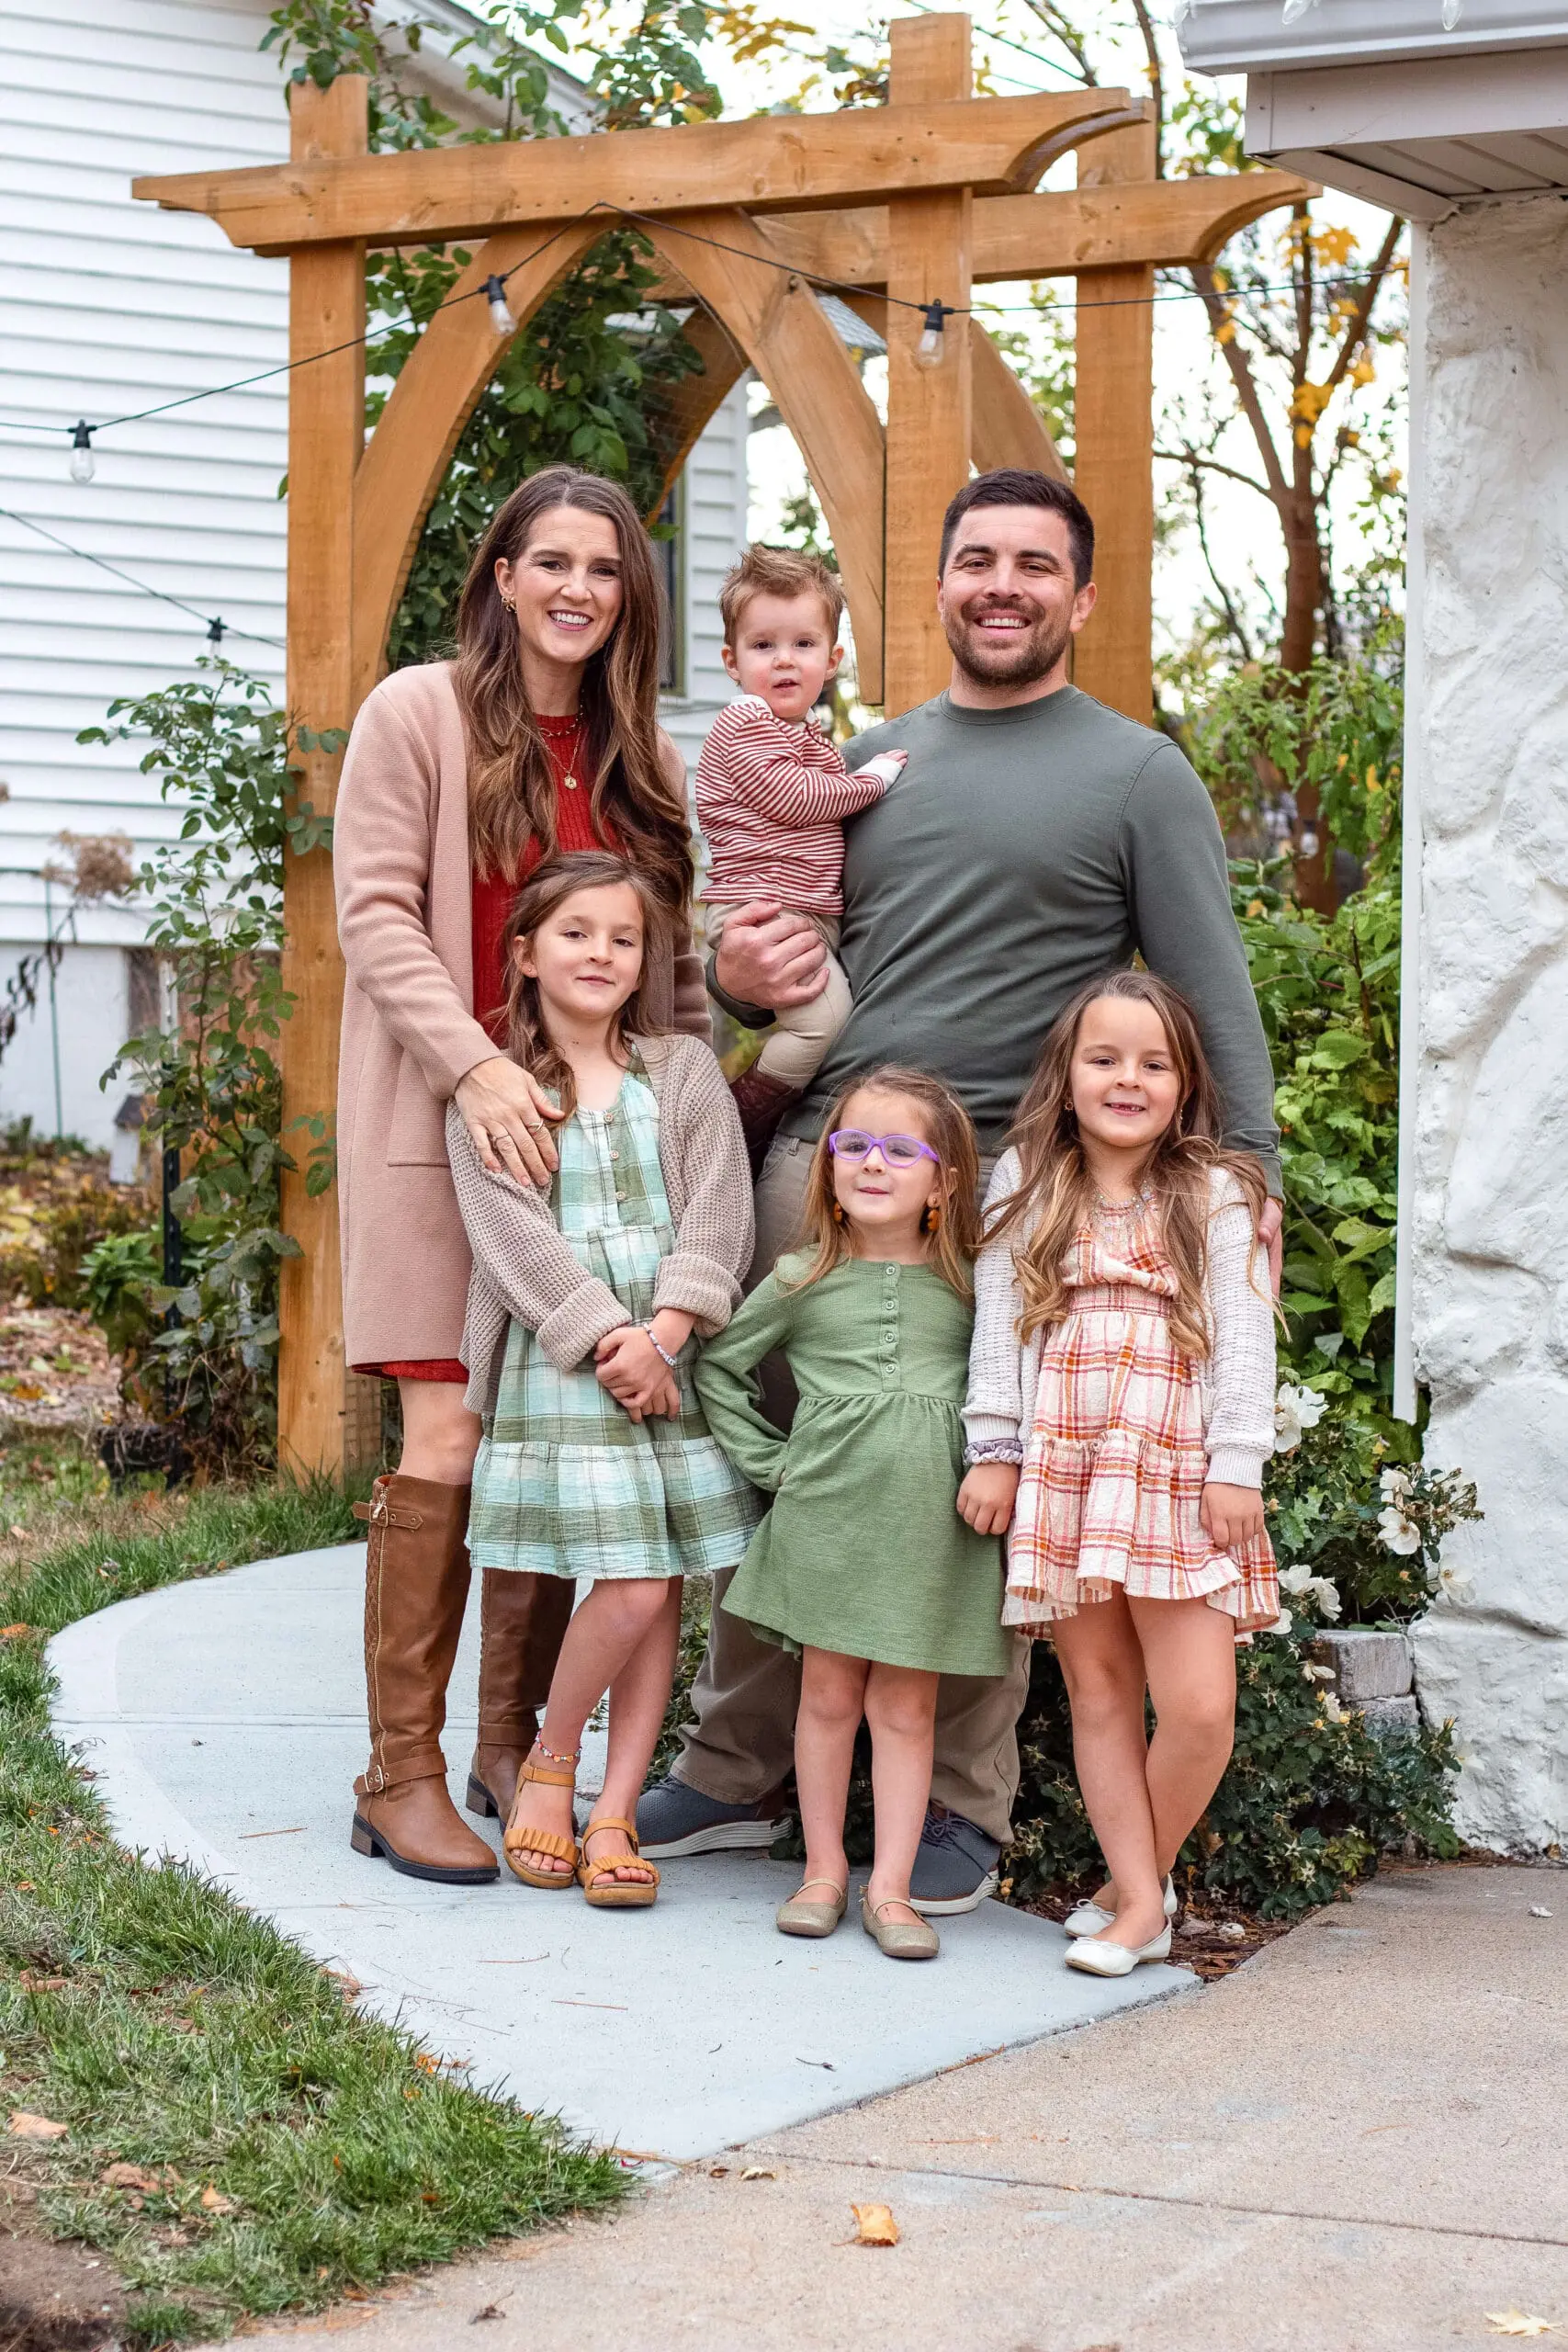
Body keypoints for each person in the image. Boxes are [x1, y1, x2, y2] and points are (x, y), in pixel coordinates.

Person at [637, 466, 1283, 1916]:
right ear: (936, 585)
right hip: (823, 1152)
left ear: (1082, 596)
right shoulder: (859, 759)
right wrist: (738, 977)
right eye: (975, 559)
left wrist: (1254, 1190)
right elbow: (761, 946)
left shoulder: (1134, 773)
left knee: (971, 1484)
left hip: (1002, 1182)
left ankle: (957, 1814)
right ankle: (737, 1758)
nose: (1001, 585)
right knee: (786, 1459)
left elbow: (1204, 997)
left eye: (1033, 565)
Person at [335, 465, 710, 1887]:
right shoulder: (417, 712)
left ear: (630, 596)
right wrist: (475, 1069)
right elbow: (372, 910)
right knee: (445, 1441)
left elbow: (662, 975)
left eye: (602, 569)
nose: (574, 589)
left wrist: (677, 1118)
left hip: (591, 1149)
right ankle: (400, 1774)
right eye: (547, 560)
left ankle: (509, 1747)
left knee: (561, 1440)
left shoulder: (639, 758)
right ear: (501, 574)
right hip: (441, 1126)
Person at [434, 854, 756, 1907]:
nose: (602, 953)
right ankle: (548, 1763)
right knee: (628, 1580)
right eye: (576, 933)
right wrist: (612, 1339)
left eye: (623, 939)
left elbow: (721, 1205)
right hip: (566, 1363)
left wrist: (663, 1334)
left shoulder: (684, 1070)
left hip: (673, 1353)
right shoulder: (495, 1089)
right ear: (525, 953)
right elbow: (508, 1239)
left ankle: (614, 1807)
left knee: (656, 1581)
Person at [961, 971, 1278, 1975]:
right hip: (1066, 1455)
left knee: (1196, 1707)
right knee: (1099, 1691)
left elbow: (1243, 1342)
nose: (1127, 1080)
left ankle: (1132, 1885)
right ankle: (1143, 1903)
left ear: (1184, 1085)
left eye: (1154, 1063)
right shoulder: (1024, 1177)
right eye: (1105, 1059)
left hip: (1180, 1462)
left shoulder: (1216, 1189)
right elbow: (997, 1331)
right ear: (1067, 1074)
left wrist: (1238, 1463)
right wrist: (996, 1452)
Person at [694, 1068, 1013, 1962]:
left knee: (907, 1709)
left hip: (929, 1528)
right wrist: (770, 1462)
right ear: (828, 1165)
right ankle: (824, 1870)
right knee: (828, 1695)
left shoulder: (971, 1287)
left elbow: (1012, 1382)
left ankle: (891, 1886)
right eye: (854, 1144)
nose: (874, 1163)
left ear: (943, 1181)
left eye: (901, 1148)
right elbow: (719, 1370)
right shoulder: (801, 1276)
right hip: (828, 1518)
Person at [695, 546, 906, 1169]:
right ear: (733, 662)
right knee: (822, 1023)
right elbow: (792, 798)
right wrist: (871, 781)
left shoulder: (801, 734)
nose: (784, 659)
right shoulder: (743, 724)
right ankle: (736, 1129)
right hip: (763, 907)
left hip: (796, 905)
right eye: (763, 646)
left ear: (832, 659)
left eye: (803, 644)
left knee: (828, 1020)